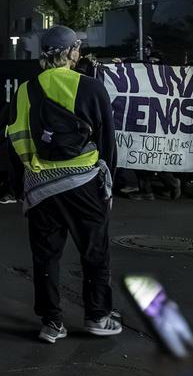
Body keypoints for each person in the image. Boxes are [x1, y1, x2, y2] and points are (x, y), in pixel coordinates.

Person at [7, 25, 121, 343]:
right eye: (77, 48)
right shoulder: (91, 88)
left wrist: (20, 187)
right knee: (95, 251)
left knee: (46, 255)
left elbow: (14, 140)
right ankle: (98, 316)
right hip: (83, 181)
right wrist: (109, 182)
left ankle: (51, 322)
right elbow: (107, 142)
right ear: (70, 52)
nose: (79, 53)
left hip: (41, 185)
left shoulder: (25, 90)